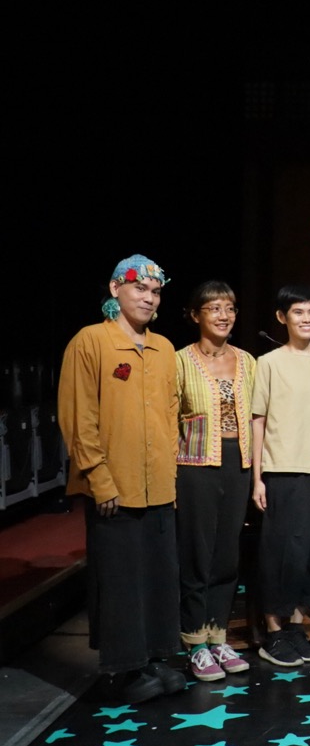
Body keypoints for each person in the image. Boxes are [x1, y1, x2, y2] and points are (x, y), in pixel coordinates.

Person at [58, 254, 185, 703]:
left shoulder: (165, 348)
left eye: (155, 292)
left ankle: (155, 657)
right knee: (120, 579)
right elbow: (79, 417)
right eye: (139, 289)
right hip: (115, 486)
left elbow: (172, 415)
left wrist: (170, 477)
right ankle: (125, 668)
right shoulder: (91, 342)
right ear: (116, 290)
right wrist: (100, 478)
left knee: (157, 576)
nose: (149, 298)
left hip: (158, 486)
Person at [251, 284, 310, 666]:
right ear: (282, 317)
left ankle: (294, 623)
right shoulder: (269, 362)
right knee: (282, 552)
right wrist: (257, 477)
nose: (307, 319)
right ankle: (273, 630)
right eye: (298, 312)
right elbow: (258, 421)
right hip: (282, 468)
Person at [175, 281, 256, 682]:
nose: (224, 315)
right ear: (195, 315)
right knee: (197, 554)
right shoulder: (179, 361)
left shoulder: (247, 361)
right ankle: (195, 642)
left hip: (237, 464)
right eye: (214, 308)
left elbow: (258, 420)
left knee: (227, 555)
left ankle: (219, 634)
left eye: (230, 307)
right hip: (194, 466)